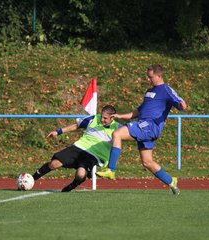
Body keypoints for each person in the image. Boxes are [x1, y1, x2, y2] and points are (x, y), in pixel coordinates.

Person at [96, 64, 187, 195]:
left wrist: (181, 105)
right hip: (143, 125)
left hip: (150, 126)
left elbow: (180, 103)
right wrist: (120, 116)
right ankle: (171, 181)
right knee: (147, 162)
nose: (148, 80)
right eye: (147, 77)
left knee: (117, 134)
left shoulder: (166, 90)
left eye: (150, 77)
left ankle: (111, 170)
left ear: (159, 76)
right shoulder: (150, 92)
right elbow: (138, 111)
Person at [32, 105, 121, 192]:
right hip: (79, 147)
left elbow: (131, 134)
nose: (102, 119)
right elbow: (76, 125)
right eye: (101, 116)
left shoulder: (118, 128)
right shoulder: (93, 119)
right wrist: (58, 132)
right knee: (54, 164)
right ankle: (32, 179)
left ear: (112, 118)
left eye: (105, 118)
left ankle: (72, 186)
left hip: (93, 156)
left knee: (80, 175)